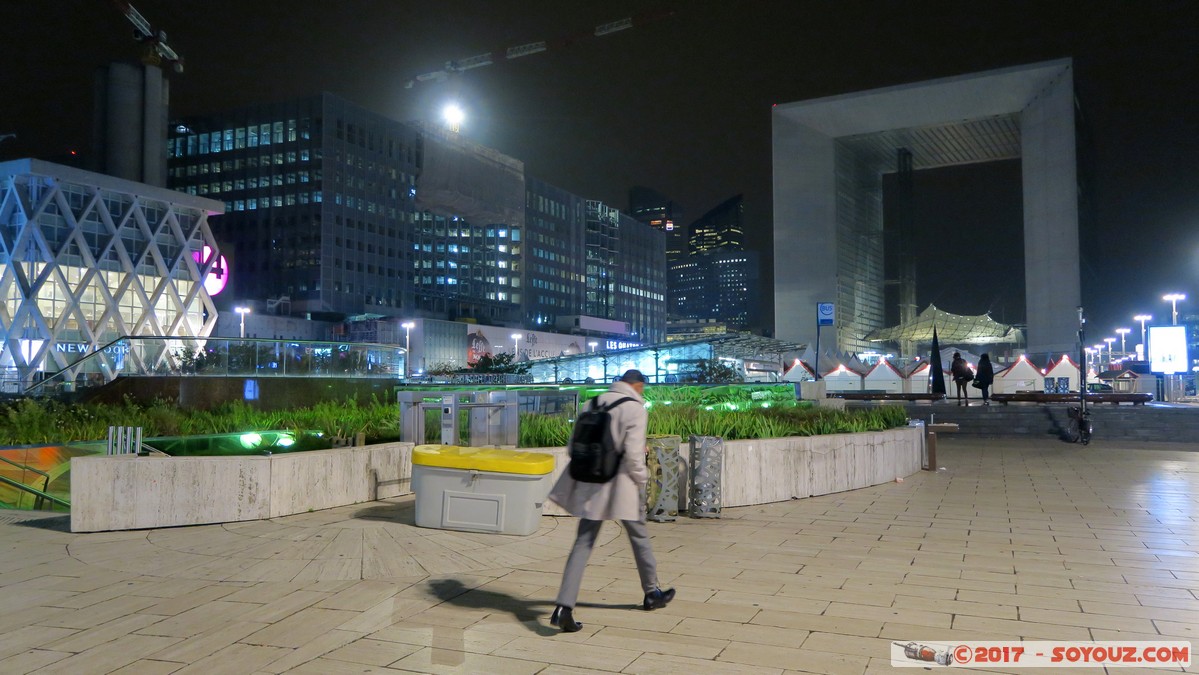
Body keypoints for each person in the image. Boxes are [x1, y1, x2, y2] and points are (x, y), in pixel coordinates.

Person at [547, 369, 675, 632]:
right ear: (638, 385)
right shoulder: (635, 409)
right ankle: (652, 593)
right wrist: (642, 480)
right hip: (621, 486)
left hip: (591, 484)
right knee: (639, 537)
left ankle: (563, 607)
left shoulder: (591, 403)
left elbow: (573, 447)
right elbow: (633, 454)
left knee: (582, 543)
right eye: (642, 388)